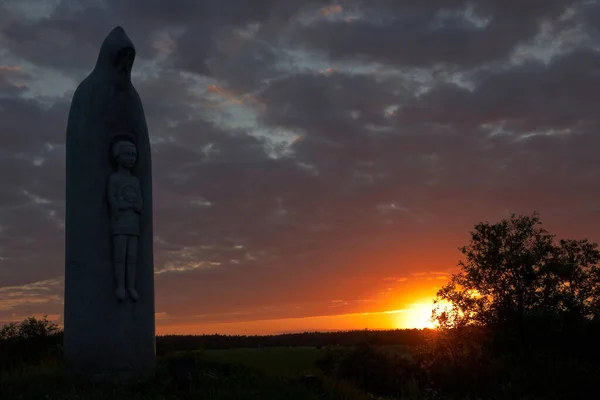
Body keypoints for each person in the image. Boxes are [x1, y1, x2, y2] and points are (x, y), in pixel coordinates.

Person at [107, 138, 142, 302]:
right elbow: (112, 200)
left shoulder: (135, 180)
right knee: (120, 256)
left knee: (132, 257)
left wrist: (132, 204)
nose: (131, 158)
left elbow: (140, 203)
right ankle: (120, 286)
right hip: (120, 224)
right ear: (118, 156)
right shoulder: (114, 178)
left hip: (133, 224)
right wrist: (123, 205)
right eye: (127, 154)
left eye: (134, 155)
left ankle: (131, 286)